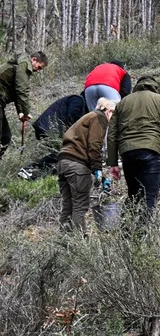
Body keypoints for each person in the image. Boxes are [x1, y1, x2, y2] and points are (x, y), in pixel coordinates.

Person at [107, 75, 160, 221]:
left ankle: (127, 234)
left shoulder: (122, 103)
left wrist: (112, 162)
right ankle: (143, 236)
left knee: (133, 195)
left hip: (128, 153)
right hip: (151, 151)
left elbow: (112, 134)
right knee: (149, 197)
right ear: (154, 86)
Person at [56, 98, 115, 235]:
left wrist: (100, 173)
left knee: (68, 205)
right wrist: (98, 170)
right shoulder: (99, 118)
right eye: (114, 114)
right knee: (80, 206)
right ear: (108, 110)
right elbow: (94, 146)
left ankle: (64, 240)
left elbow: (85, 148)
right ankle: (80, 243)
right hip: (77, 165)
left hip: (63, 163)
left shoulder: (86, 118)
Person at [17, 94, 90, 180]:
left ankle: (35, 175)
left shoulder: (80, 102)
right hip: (48, 128)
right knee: (64, 152)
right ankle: (29, 170)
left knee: (60, 155)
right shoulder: (78, 100)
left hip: (47, 127)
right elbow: (72, 117)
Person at [0, 51, 47, 159]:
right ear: (34, 60)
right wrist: (26, 112)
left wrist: (21, 112)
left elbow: (16, 92)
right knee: (3, 137)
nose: (38, 71)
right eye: (39, 67)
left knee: (5, 137)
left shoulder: (21, 66)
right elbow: (22, 91)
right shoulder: (24, 65)